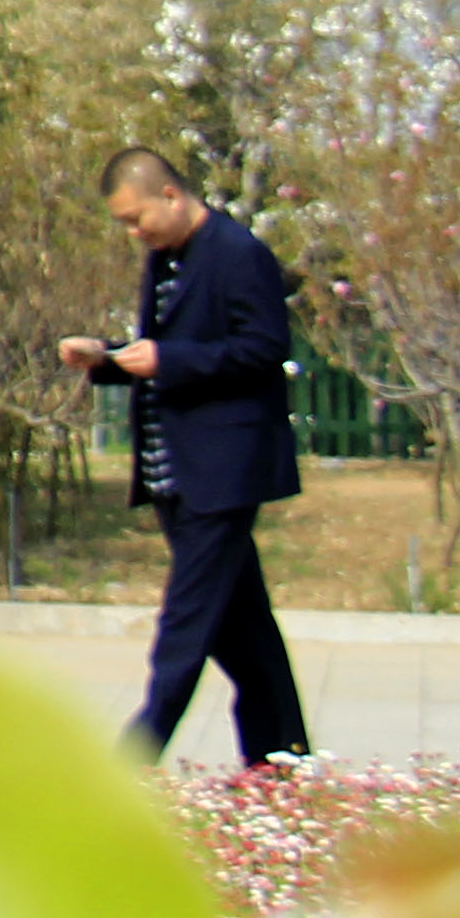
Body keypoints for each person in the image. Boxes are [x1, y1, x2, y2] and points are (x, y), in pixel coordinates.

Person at [62, 144, 313, 767]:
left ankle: (129, 767)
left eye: (136, 217)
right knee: (244, 633)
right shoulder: (166, 258)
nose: (133, 232)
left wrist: (168, 359)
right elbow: (173, 351)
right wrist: (109, 357)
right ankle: (283, 760)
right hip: (173, 474)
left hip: (221, 474)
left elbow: (262, 349)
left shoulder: (238, 253)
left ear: (171, 195)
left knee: (185, 626)